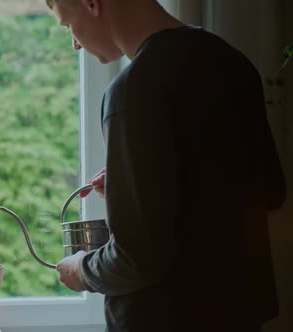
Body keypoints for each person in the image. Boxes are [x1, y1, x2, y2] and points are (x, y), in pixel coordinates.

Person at [48, 0, 287, 331]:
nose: (74, 42)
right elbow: (270, 192)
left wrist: (82, 269)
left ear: (92, 3)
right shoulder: (232, 62)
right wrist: (137, 186)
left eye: (67, 24)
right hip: (239, 315)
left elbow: (136, 259)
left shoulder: (133, 89)